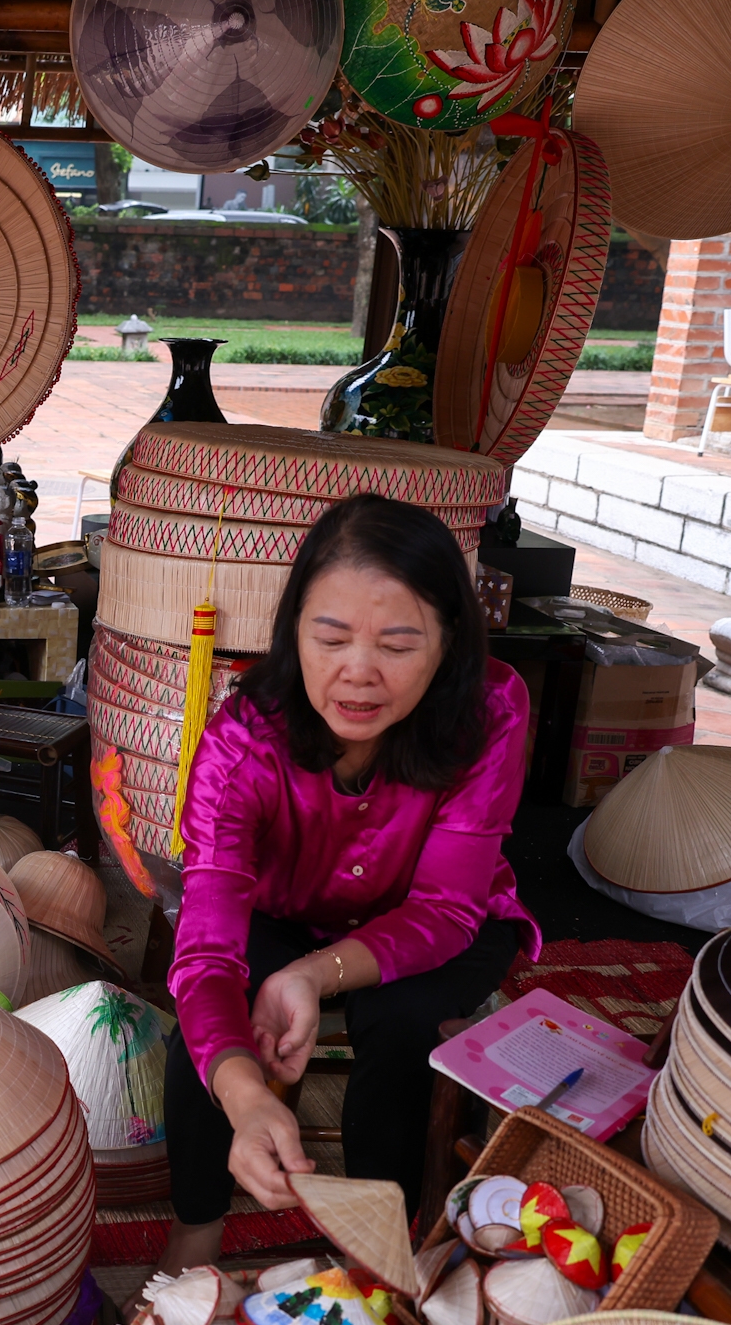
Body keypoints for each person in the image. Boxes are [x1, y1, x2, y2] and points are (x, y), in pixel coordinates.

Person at [159, 495, 537, 1271]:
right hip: (290, 906)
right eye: (329, 638)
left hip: (438, 918)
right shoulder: (242, 744)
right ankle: (192, 1241)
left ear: (448, 642)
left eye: (398, 645)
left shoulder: (491, 709)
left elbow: (444, 908)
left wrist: (313, 975)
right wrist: (246, 1095)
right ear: (293, 629)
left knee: (401, 1022)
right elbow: (205, 953)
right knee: (210, 1021)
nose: (357, 674)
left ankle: (377, 1250)